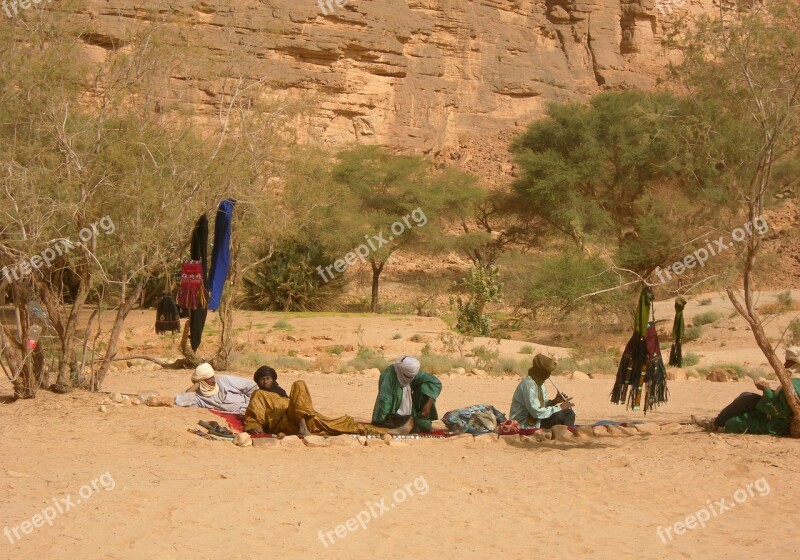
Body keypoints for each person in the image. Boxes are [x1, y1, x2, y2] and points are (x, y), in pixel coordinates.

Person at [693, 347, 800, 435]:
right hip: (772, 412)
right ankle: (715, 423)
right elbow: (783, 399)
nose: (785, 365)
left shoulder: (795, 385)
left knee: (731, 423)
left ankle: (715, 423)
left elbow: (779, 411)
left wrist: (766, 390)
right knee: (747, 397)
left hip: (778, 424)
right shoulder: (794, 381)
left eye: (789, 362)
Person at [244, 370, 370, 436]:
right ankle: (302, 428)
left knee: (338, 425)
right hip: (286, 421)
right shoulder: (259, 394)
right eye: (262, 379)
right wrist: (254, 426)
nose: (265, 382)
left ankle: (382, 430)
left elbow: (299, 402)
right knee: (299, 384)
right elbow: (253, 414)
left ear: (273, 379)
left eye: (267, 378)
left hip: (304, 416)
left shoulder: (281, 393)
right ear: (258, 382)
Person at [372, 356, 442, 435]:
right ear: (401, 371)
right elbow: (384, 402)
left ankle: (409, 424)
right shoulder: (389, 377)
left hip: (410, 413)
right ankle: (407, 425)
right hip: (393, 414)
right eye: (407, 376)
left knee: (426, 425)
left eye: (412, 377)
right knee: (396, 421)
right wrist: (381, 423)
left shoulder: (410, 372)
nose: (410, 379)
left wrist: (428, 403)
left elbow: (434, 382)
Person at [509, 354, 575, 429]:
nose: (549, 375)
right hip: (525, 423)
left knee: (569, 413)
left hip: (538, 418)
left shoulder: (540, 383)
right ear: (540, 371)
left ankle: (567, 435)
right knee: (559, 416)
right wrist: (560, 407)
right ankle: (565, 434)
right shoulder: (529, 385)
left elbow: (541, 405)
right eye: (547, 372)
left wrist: (554, 402)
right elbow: (536, 412)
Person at [174, 363, 257, 414]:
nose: (213, 380)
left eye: (213, 376)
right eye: (209, 378)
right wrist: (196, 385)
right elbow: (180, 401)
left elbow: (250, 387)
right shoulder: (199, 397)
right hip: (240, 414)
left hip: (252, 405)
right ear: (201, 381)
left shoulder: (223, 380)